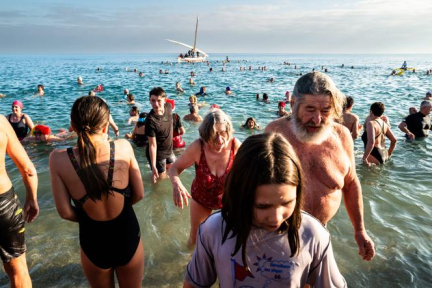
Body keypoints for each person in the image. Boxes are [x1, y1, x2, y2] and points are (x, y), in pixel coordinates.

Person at [184, 133, 346, 288]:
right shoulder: (214, 230)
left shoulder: (313, 235)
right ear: (239, 194)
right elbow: (194, 284)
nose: (276, 218)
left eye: (287, 203)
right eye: (262, 206)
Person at [265, 72, 375, 261]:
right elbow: (252, 185)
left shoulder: (342, 136)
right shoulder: (274, 133)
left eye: (325, 111)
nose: (317, 119)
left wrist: (359, 230)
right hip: (279, 233)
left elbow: (351, 184)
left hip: (321, 234)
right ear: (293, 105)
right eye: (310, 109)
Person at [49, 96, 144, 288]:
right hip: (127, 235)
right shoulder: (123, 147)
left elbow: (65, 212)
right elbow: (139, 194)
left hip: (93, 240)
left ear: (72, 126)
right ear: (105, 126)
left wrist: (89, 215)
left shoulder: (57, 159)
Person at [168, 109, 241, 245]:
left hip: (227, 201)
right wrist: (176, 184)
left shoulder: (234, 146)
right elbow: (174, 168)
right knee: (195, 239)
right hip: (201, 198)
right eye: (214, 135)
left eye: (223, 133)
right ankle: (186, 264)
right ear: (206, 135)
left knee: (229, 240)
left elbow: (249, 171)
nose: (219, 140)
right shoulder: (198, 147)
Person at [0, 115, 39, 288]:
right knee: (18, 270)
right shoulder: (1, 121)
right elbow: (28, 170)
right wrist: (31, 199)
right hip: (3, 205)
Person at [146, 87, 175, 183]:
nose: (156, 104)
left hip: (169, 150)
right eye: (153, 101)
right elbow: (152, 145)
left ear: (165, 100)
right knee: (160, 180)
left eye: (159, 100)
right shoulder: (150, 120)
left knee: (175, 170)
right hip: (158, 155)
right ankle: (154, 195)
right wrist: (153, 165)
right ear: (150, 101)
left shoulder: (168, 106)